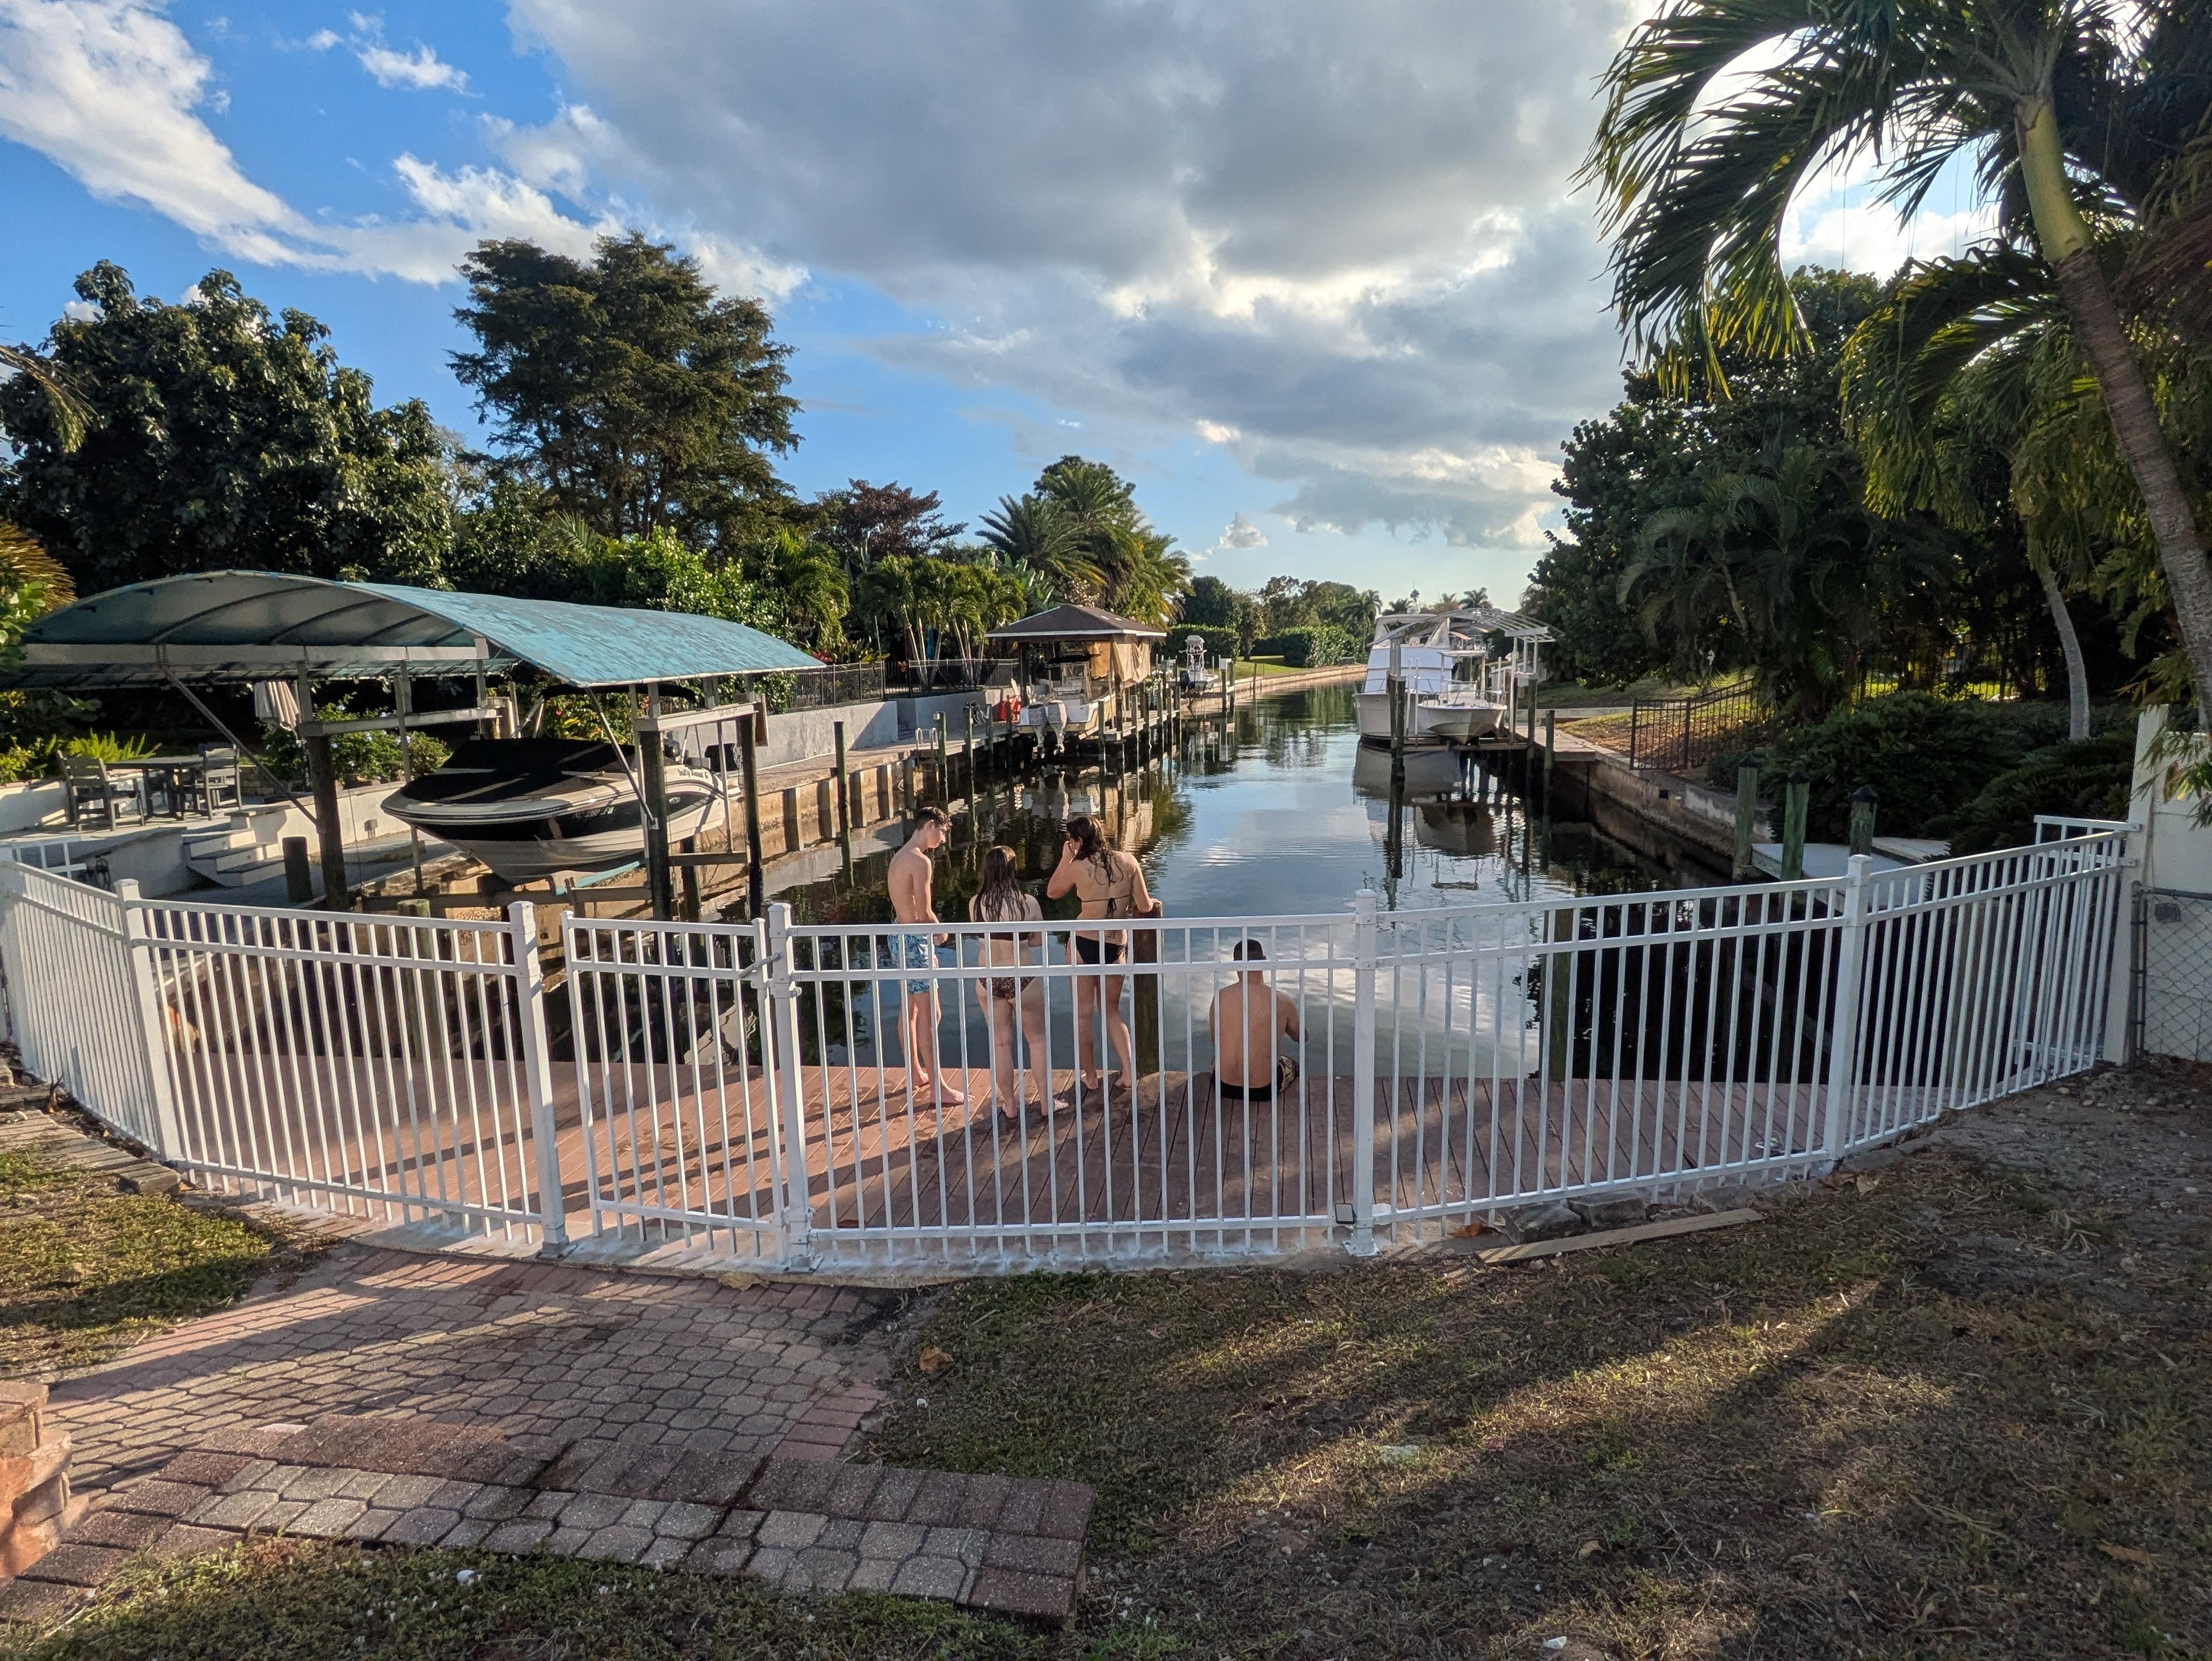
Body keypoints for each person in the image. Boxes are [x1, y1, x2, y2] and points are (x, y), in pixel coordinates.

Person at [1046, 814, 1152, 1098]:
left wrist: (1065, 858)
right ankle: (1129, 1072)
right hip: (1115, 945)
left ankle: (1091, 1078)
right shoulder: (1129, 861)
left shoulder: (1077, 866)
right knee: (1112, 1013)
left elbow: (1053, 892)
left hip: (1084, 943)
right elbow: (1143, 904)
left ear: (1078, 841)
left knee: (1083, 1015)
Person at [886, 806, 963, 1106]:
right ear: (929, 826)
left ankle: (916, 1072)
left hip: (897, 935)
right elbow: (924, 912)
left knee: (911, 1009)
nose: (942, 840)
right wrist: (941, 934)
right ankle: (939, 1089)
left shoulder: (898, 857)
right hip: (915, 941)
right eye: (942, 832)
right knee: (932, 1014)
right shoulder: (921, 862)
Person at [968, 844, 1050, 1128]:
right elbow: (1038, 941)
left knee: (1001, 1044)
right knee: (1036, 1040)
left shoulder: (975, 903)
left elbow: (980, 936)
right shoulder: (1028, 902)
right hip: (1022, 976)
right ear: (1013, 870)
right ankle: (1046, 1102)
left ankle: (1010, 1106)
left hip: (988, 978)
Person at [1208, 940, 1301, 1100]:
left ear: (1235, 964)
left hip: (1223, 1086)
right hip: (1264, 1089)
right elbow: (1300, 1037)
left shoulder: (1220, 997)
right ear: (1264, 960)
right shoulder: (1282, 1000)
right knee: (1291, 1063)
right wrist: (1284, 1026)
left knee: (1218, 1058)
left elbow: (1215, 1040)